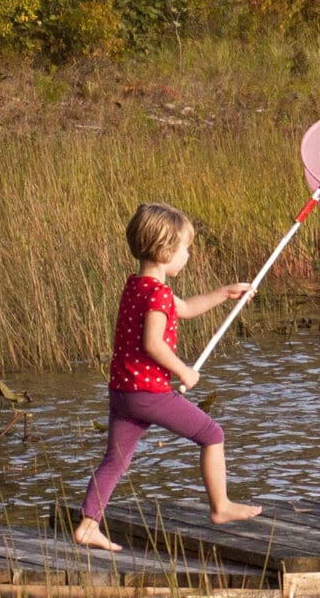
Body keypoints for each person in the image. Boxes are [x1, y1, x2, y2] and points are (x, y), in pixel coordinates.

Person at [73, 202, 262, 550]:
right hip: (148, 393)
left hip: (123, 391)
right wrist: (184, 371)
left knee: (115, 459)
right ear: (165, 251)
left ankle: (88, 524)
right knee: (212, 434)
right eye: (185, 248)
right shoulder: (157, 293)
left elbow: (186, 308)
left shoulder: (138, 286)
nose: (188, 255)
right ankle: (220, 507)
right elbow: (153, 344)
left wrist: (224, 293)